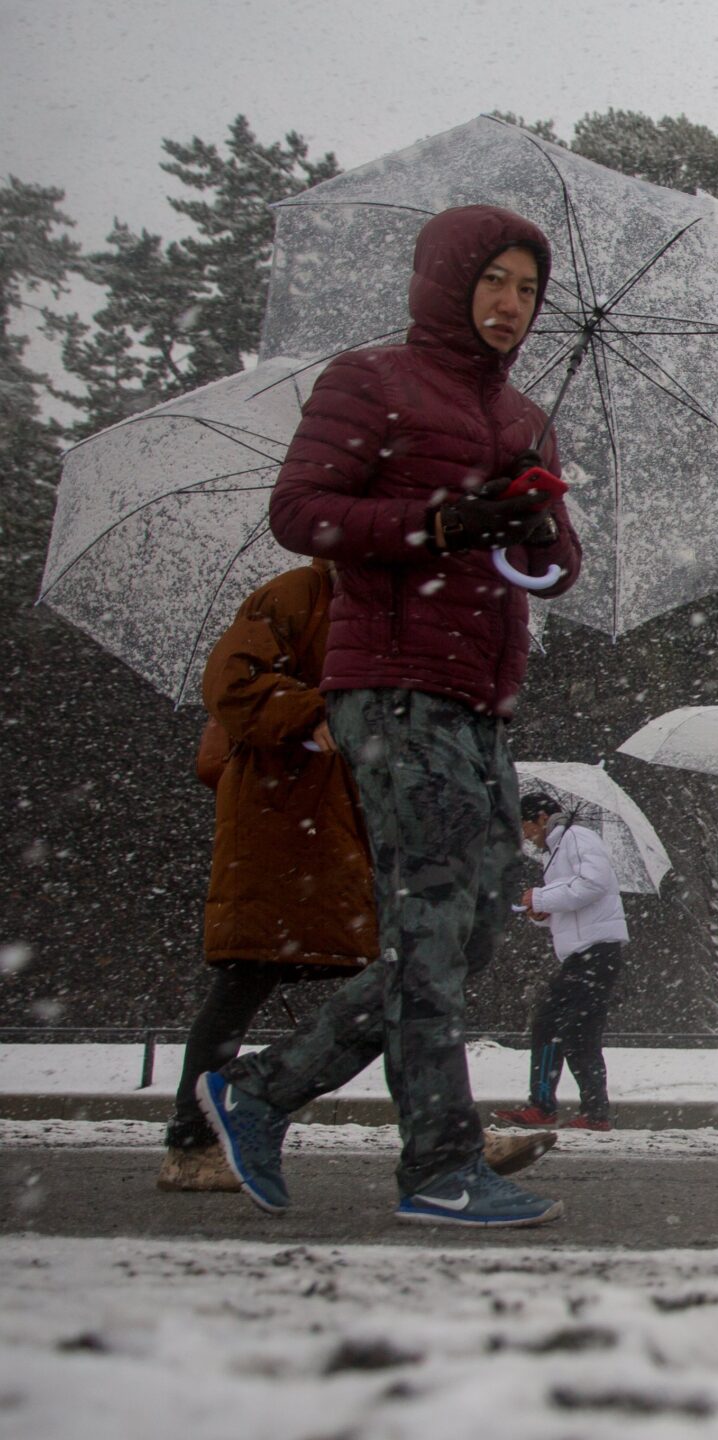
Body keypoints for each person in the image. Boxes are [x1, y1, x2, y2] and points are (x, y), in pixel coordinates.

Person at [196, 203, 582, 1229]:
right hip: (391, 685)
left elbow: (555, 569)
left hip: (480, 697)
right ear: (448, 279)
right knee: (426, 928)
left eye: (528, 289)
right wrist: (437, 522)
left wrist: (532, 516)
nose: (510, 304)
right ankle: (438, 1164)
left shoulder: (525, 418)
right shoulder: (370, 381)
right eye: (494, 280)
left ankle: (263, 1088)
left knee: (461, 931)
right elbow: (301, 510)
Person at [160, 560, 553, 1192]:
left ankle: (442, 1135)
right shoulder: (298, 594)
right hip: (285, 826)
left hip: (360, 825)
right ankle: (192, 1143)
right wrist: (320, 712)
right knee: (249, 978)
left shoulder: (405, 602)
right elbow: (231, 685)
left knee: (411, 976)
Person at [492, 792, 628, 1132]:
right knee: (577, 1030)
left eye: (524, 825)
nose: (524, 835)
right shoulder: (556, 850)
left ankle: (549, 1107)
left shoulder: (576, 837)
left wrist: (540, 896)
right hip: (588, 953)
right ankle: (590, 1112)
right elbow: (573, 903)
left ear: (540, 818)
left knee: (555, 1024)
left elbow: (593, 883)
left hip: (595, 952)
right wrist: (541, 912)